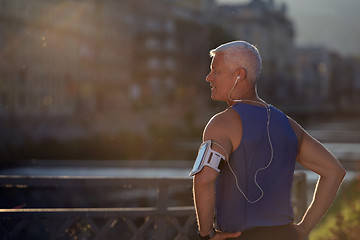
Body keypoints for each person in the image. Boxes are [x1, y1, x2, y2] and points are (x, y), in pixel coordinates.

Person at [191, 40, 346, 240]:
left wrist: (206, 234)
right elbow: (334, 172)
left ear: (239, 75)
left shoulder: (221, 124)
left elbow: (204, 179)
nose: (208, 77)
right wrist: (305, 228)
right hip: (285, 234)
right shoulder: (288, 124)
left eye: (216, 71)